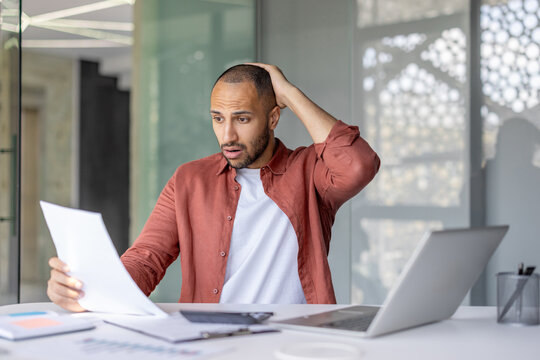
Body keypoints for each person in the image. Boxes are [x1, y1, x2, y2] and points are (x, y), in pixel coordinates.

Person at [47, 63, 380, 311]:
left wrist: (290, 93)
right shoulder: (189, 179)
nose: (228, 136)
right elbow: (147, 258)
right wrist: (90, 291)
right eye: (218, 118)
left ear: (274, 118)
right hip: (211, 343)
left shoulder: (309, 173)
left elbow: (358, 164)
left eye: (243, 119)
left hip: (297, 343)